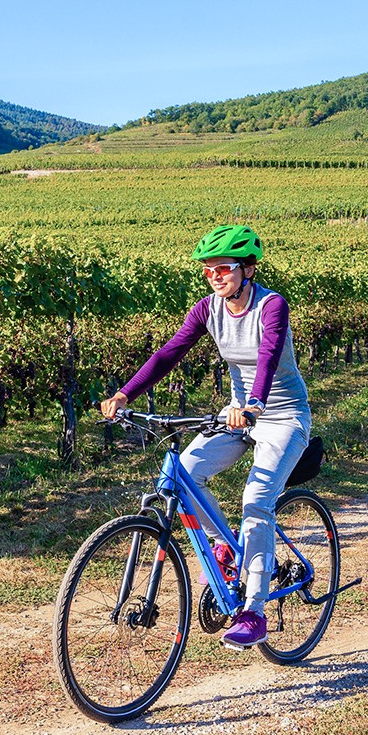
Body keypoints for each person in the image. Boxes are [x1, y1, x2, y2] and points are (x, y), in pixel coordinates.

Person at [100, 224, 311, 650]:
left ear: (247, 269)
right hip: (235, 417)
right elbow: (169, 353)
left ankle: (254, 610)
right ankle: (225, 546)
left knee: (256, 500)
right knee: (182, 476)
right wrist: (125, 393)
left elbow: (269, 356)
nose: (216, 276)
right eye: (208, 271)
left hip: (281, 416)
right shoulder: (207, 309)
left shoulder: (271, 305)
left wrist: (253, 403)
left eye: (224, 268)